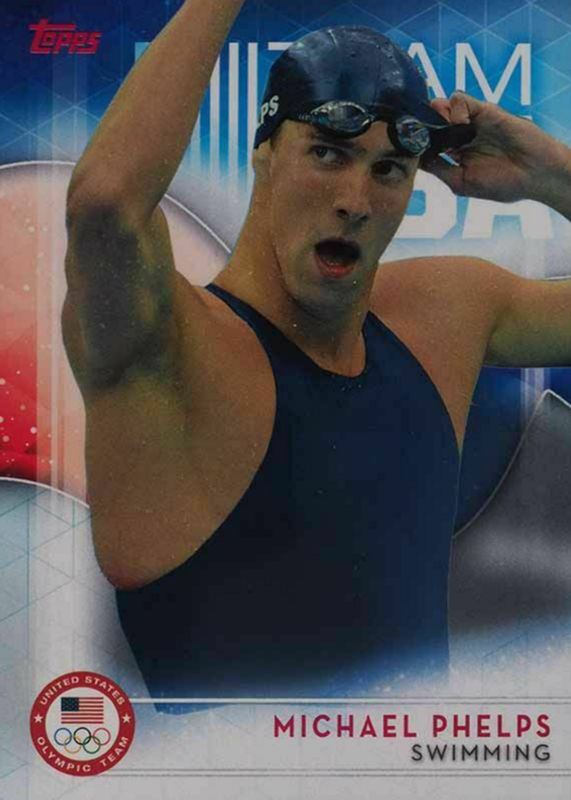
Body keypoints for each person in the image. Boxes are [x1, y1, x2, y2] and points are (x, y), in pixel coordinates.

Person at [63, 0, 571, 700]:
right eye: (327, 154)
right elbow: (105, 207)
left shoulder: (443, 316)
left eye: (389, 169)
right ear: (264, 153)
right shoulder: (169, 350)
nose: (355, 199)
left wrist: (553, 177)